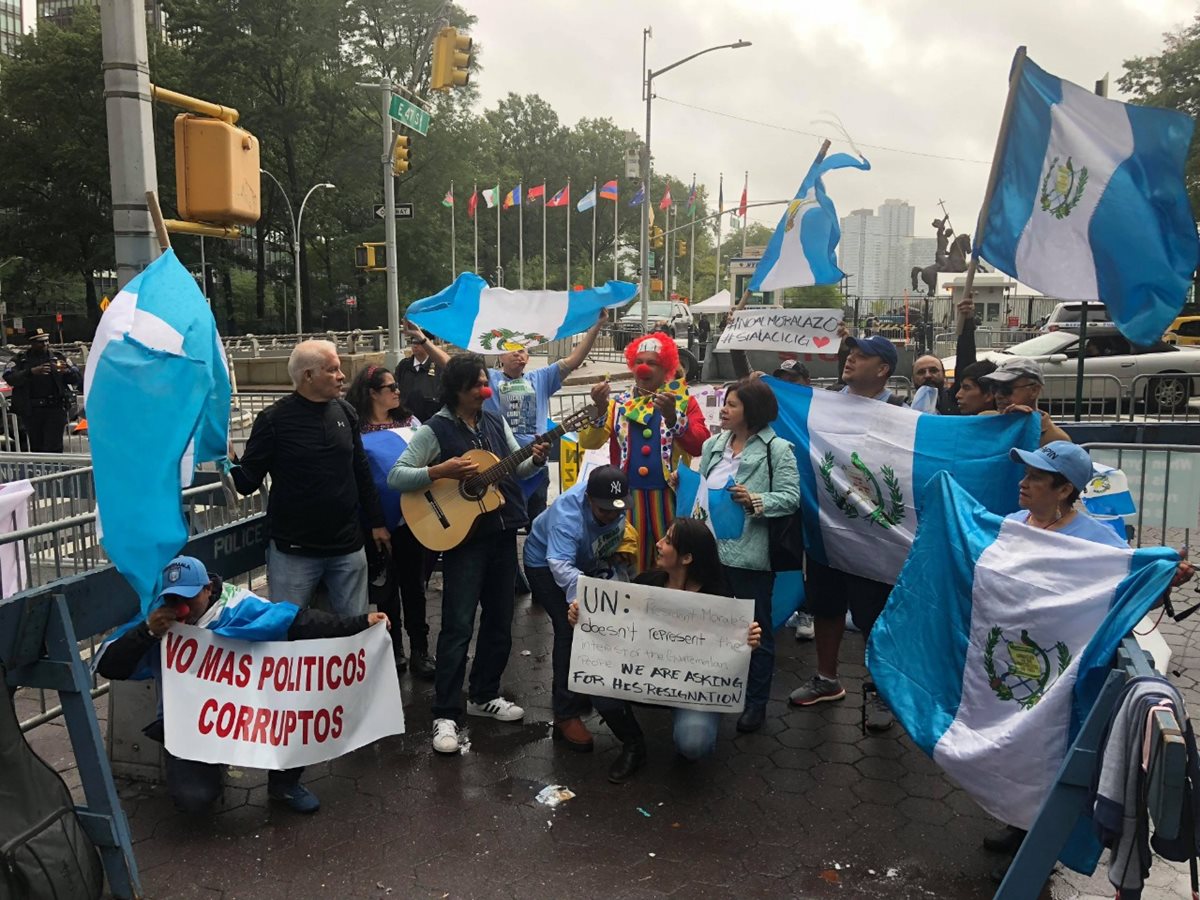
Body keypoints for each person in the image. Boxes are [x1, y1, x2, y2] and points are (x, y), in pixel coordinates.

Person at [983, 442, 1195, 880]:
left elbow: (1127, 595)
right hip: (1008, 661)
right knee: (1015, 746)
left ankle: (1036, 852)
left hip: (1061, 669)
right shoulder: (1013, 524)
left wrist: (1162, 581)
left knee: (1049, 752)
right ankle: (1017, 823)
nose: (1023, 483)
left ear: (1064, 490)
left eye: (1035, 478)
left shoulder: (1098, 541)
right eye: (1025, 475)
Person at [95, 556, 390, 814]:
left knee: (293, 708)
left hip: (251, 708)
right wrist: (147, 633)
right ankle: (208, 765)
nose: (180, 607)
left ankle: (285, 784)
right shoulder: (157, 619)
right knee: (194, 800)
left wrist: (360, 623)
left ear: (207, 589)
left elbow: (299, 621)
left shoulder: (239, 606)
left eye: (188, 598)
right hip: (192, 723)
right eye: (173, 599)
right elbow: (110, 666)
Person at [388, 353, 549, 755]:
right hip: (463, 542)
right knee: (458, 626)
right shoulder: (435, 429)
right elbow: (397, 475)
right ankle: (445, 713)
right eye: (476, 384)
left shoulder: (494, 421)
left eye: (484, 383)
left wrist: (535, 459)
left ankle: (484, 694)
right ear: (456, 389)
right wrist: (440, 471)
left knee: (500, 619)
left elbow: (518, 468)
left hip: (501, 533)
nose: (484, 390)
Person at [568, 518, 762, 783]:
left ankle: (693, 731)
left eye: (668, 541)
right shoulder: (646, 583)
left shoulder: (720, 599)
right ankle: (633, 744)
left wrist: (749, 641)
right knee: (597, 682)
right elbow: (612, 625)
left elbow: (732, 651)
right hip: (643, 678)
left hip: (694, 689)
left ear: (687, 558)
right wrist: (581, 617)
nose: (658, 544)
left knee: (693, 745)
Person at [788, 333, 902, 732]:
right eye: (849, 353)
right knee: (826, 605)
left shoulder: (901, 415)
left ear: (883, 369)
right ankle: (827, 678)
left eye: (860, 356)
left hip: (876, 538)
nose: (849, 360)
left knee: (875, 617)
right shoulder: (824, 406)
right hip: (828, 528)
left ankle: (882, 691)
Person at [230, 340, 387, 619]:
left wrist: (377, 522)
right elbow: (247, 482)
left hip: (348, 548)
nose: (342, 376)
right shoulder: (273, 420)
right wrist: (230, 460)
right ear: (308, 376)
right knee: (288, 630)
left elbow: (361, 471)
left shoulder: (346, 412)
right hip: (294, 552)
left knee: (354, 631)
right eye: (332, 369)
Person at [689, 378, 799, 733]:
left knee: (755, 633)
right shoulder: (713, 445)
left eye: (732, 404)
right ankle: (714, 690)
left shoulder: (777, 449)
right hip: (710, 552)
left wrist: (756, 500)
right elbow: (702, 490)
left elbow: (791, 497)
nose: (723, 410)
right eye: (724, 402)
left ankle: (755, 703)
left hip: (750, 555)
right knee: (709, 625)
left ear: (752, 411)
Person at [580, 332, 709, 572]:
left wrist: (673, 418)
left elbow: (701, 444)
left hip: (671, 496)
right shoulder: (618, 404)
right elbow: (589, 441)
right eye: (638, 362)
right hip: (628, 498)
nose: (643, 368)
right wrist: (599, 409)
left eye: (652, 363)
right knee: (632, 562)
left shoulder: (682, 401)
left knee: (671, 564)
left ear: (667, 369)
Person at [523, 465, 631, 751]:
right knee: (570, 628)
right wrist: (584, 601)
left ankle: (581, 685)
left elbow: (613, 533)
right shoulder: (566, 516)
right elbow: (560, 565)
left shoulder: (614, 504)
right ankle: (565, 713)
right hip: (545, 564)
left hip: (586, 560)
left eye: (618, 509)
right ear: (588, 499)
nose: (613, 515)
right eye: (604, 510)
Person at [344, 364, 435, 679]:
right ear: (372, 393)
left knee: (415, 587)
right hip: (377, 524)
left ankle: (420, 649)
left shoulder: (411, 422)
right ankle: (393, 648)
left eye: (397, 386)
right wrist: (374, 522)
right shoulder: (355, 429)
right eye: (390, 387)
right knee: (386, 591)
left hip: (415, 520)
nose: (398, 391)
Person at [487, 312, 604, 526]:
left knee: (538, 525)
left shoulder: (541, 378)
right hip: (501, 469)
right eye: (512, 350)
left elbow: (574, 360)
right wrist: (424, 341)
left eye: (523, 351)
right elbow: (451, 367)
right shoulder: (487, 379)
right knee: (505, 527)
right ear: (500, 356)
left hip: (537, 468)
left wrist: (596, 327)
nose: (518, 355)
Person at [3, 328, 81, 453]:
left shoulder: (58, 357)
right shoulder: (21, 360)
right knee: (37, 446)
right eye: (40, 342)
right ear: (31, 343)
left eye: (46, 341)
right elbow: (10, 378)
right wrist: (31, 372)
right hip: (32, 410)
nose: (45, 344)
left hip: (55, 408)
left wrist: (66, 371)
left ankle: (56, 465)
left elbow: (77, 378)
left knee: (54, 446)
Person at [979, 357, 1071, 446]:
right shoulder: (985, 419)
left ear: (1034, 390)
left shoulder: (1056, 440)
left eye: (1006, 389)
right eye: (994, 388)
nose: (998, 395)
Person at [394, 323, 446, 422]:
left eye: (418, 342)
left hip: (431, 420)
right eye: (413, 342)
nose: (415, 346)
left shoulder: (439, 367)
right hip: (406, 419)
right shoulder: (404, 366)